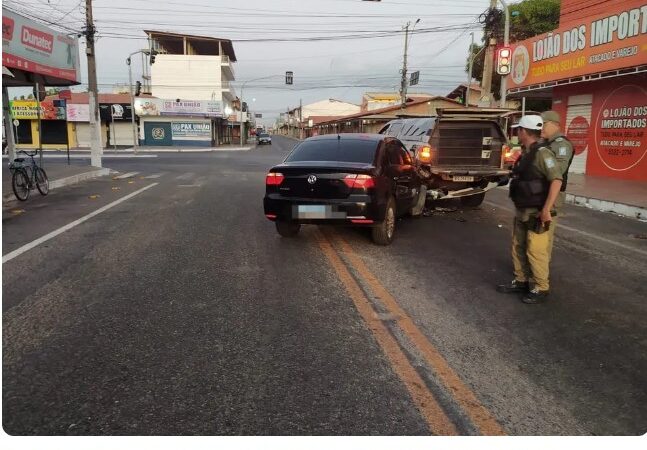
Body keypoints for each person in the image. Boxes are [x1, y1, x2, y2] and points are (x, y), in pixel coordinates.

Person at [497, 115, 563, 304]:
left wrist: (547, 209)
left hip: (537, 211)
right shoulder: (527, 152)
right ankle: (521, 281)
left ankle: (541, 287)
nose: (517, 133)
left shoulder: (543, 153)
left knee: (536, 250)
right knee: (518, 245)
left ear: (523, 132)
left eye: (518, 130)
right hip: (523, 210)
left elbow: (556, 180)